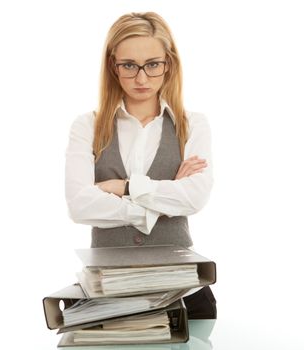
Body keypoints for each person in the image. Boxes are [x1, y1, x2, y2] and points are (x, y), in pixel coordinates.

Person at [65, 11, 216, 319]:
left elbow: (195, 197)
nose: (142, 78)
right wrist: (159, 202)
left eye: (153, 64)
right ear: (113, 66)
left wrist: (125, 188)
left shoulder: (192, 125)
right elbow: (80, 205)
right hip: (107, 290)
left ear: (168, 64)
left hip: (184, 290)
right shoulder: (86, 127)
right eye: (129, 65)